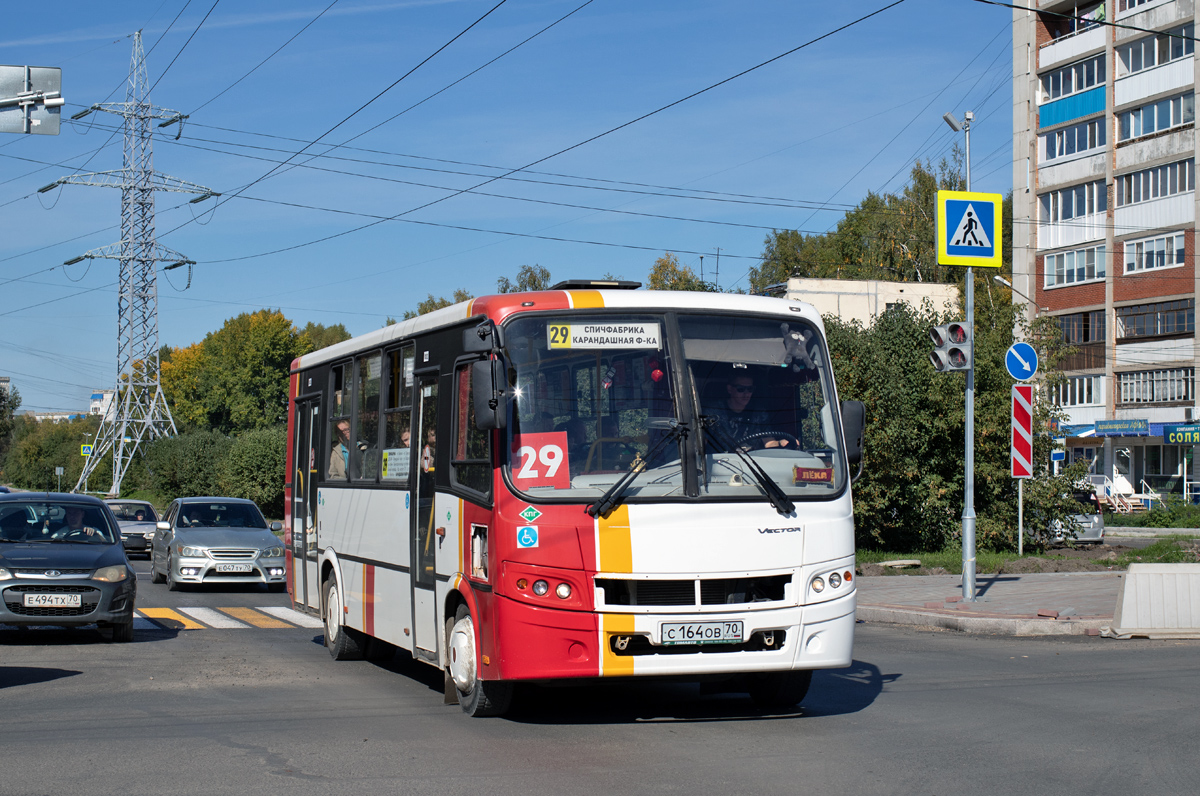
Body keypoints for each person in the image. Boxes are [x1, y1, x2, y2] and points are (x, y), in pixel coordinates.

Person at [706, 371, 790, 449]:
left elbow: (768, 442)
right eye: (741, 389)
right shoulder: (714, 412)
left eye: (750, 389)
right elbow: (702, 442)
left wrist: (780, 443)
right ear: (730, 389)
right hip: (721, 462)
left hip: (752, 461)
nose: (746, 394)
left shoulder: (758, 413)